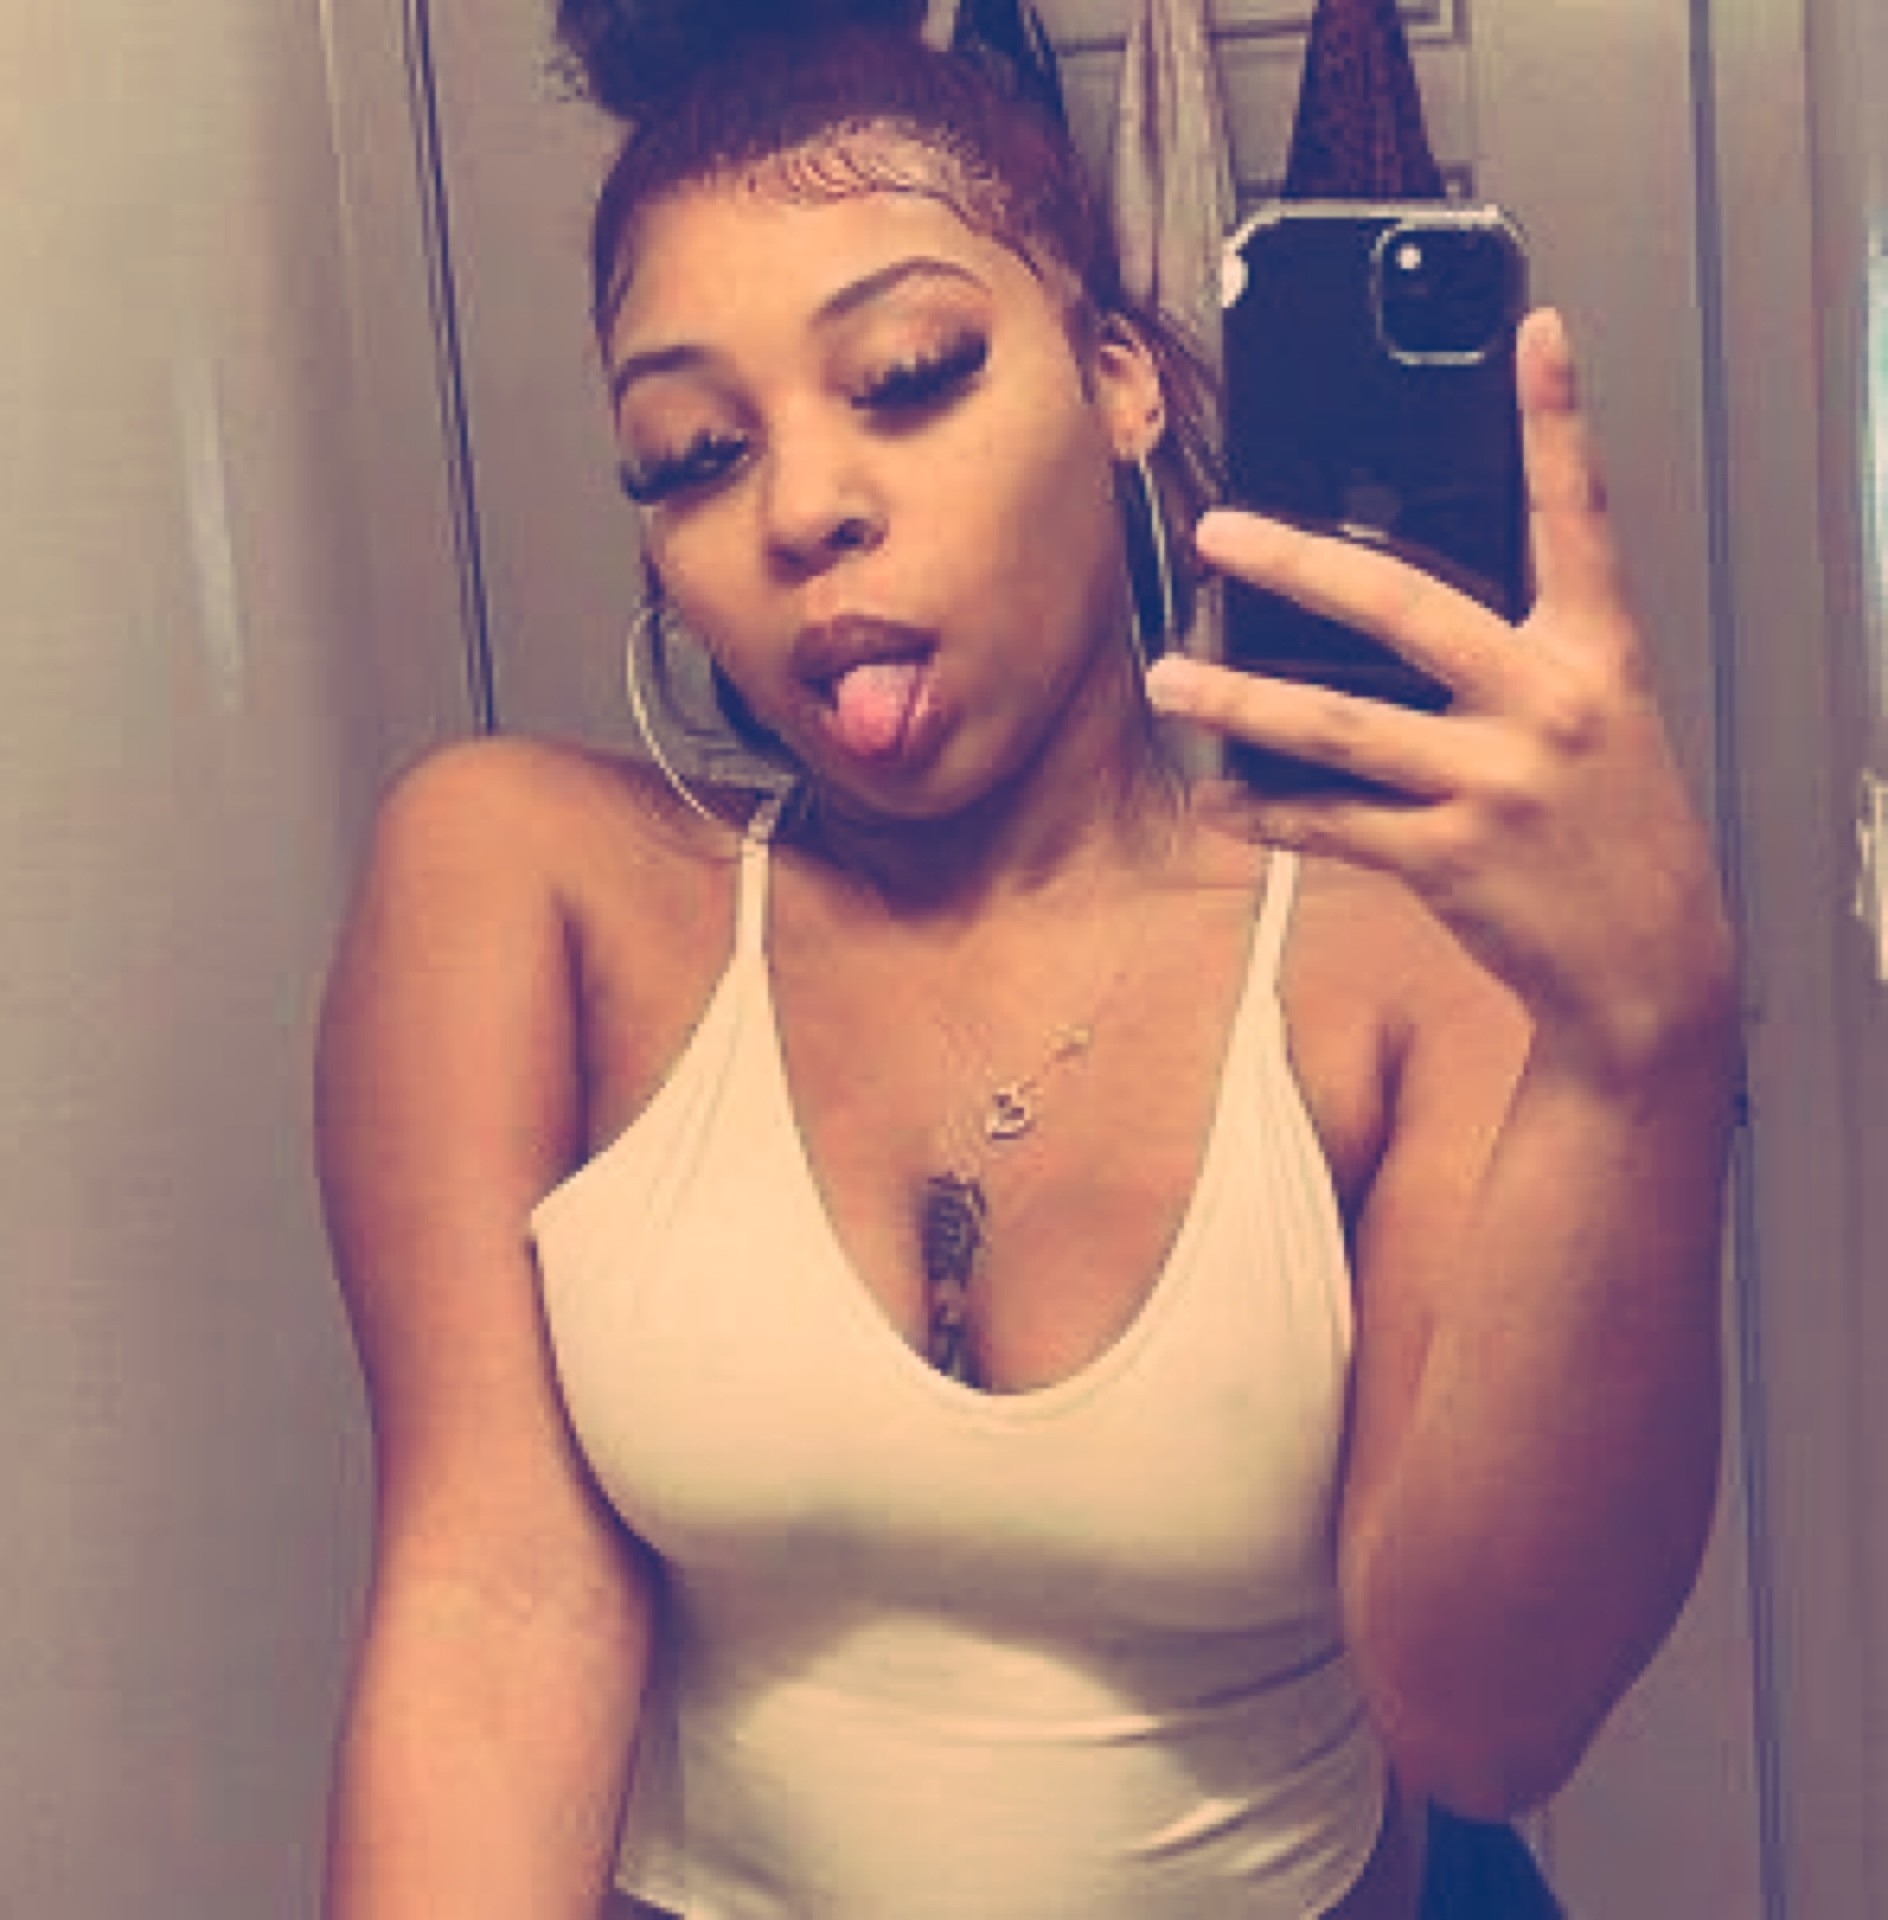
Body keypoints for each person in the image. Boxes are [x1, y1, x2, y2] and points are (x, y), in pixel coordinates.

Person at [313, 5, 1740, 1914]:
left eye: (907, 376)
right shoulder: (520, 881)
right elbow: (493, 1611)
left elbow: (1485, 1721)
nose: (802, 508)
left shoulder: (1401, 947)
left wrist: (1646, 1048)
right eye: (693, 454)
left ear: (1117, 381)